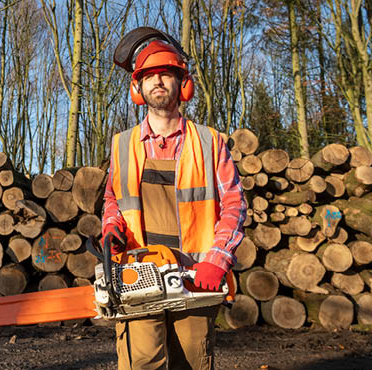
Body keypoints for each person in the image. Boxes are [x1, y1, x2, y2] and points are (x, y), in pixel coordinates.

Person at [102, 27, 247, 370]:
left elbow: (234, 204)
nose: (157, 81)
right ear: (137, 88)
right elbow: (113, 198)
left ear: (183, 84)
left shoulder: (210, 142)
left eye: (166, 73)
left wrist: (217, 259)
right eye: (148, 76)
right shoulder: (121, 144)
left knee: (192, 363)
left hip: (195, 275)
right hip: (138, 273)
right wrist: (111, 227)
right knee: (141, 362)